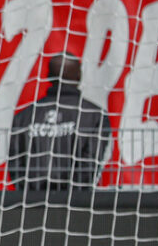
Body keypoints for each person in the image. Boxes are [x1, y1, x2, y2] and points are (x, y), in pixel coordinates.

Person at [8, 54, 110, 190]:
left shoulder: (24, 116)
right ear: (79, 76)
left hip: (31, 202)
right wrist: (74, 192)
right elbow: (91, 161)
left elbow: (15, 162)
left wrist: (29, 190)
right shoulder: (95, 115)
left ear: (49, 75)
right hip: (76, 202)